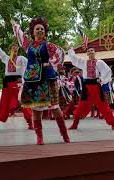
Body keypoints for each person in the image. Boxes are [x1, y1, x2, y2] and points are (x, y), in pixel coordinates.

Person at [11, 17, 70, 145]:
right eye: (37, 29)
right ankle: (39, 137)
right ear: (33, 32)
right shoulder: (28, 45)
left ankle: (64, 133)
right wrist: (15, 25)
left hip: (48, 78)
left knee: (55, 107)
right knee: (37, 109)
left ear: (45, 32)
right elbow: (20, 36)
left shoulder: (48, 45)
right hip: (34, 81)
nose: (39, 31)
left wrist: (50, 63)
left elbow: (60, 54)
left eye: (42, 29)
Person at [66, 44, 114, 130]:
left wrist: (101, 79)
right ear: (87, 54)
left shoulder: (100, 62)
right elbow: (74, 60)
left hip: (96, 87)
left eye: (92, 51)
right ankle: (75, 124)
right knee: (81, 106)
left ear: (94, 52)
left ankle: (113, 124)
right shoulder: (84, 63)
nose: (90, 52)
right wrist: (70, 50)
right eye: (88, 51)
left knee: (104, 106)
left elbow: (107, 71)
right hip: (86, 87)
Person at [0, 36, 33, 132]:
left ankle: (30, 123)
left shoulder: (22, 59)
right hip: (7, 84)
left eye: (16, 49)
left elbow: (31, 64)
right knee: (3, 105)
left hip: (18, 84)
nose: (15, 50)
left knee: (24, 103)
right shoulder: (6, 58)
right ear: (10, 50)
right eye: (13, 49)